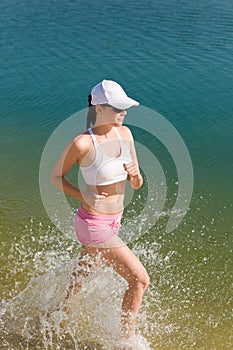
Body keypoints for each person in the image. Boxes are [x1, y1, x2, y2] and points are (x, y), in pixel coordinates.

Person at [50, 79, 150, 340]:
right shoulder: (83, 143)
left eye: (124, 108)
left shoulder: (126, 133)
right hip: (92, 224)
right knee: (139, 280)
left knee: (80, 278)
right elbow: (55, 177)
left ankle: (56, 318)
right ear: (100, 108)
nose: (124, 112)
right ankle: (126, 342)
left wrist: (136, 175)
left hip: (114, 221)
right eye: (118, 108)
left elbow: (136, 185)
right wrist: (84, 194)